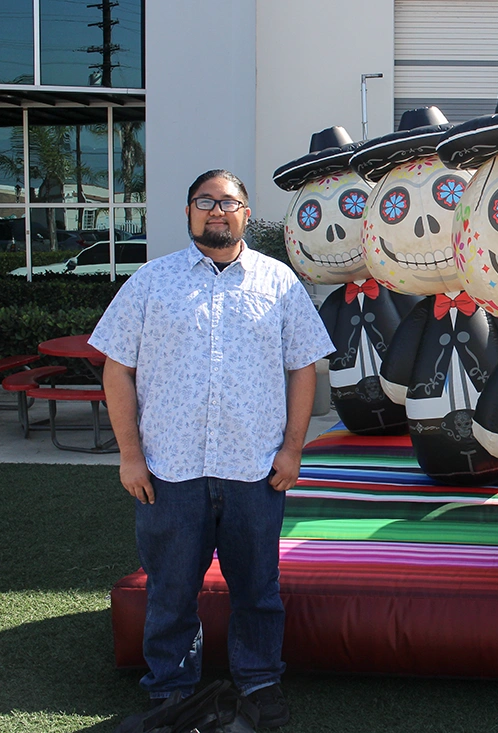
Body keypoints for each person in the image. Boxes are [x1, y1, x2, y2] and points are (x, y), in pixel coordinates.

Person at [92, 169, 334, 728]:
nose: (216, 211)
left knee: (257, 587)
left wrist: (292, 450)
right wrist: (130, 456)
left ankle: (259, 681)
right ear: (188, 213)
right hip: (169, 470)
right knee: (171, 588)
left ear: (248, 214)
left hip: (253, 468)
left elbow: (303, 369)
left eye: (229, 202)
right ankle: (171, 688)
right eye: (204, 201)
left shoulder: (279, 283)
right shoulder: (152, 282)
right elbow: (117, 369)